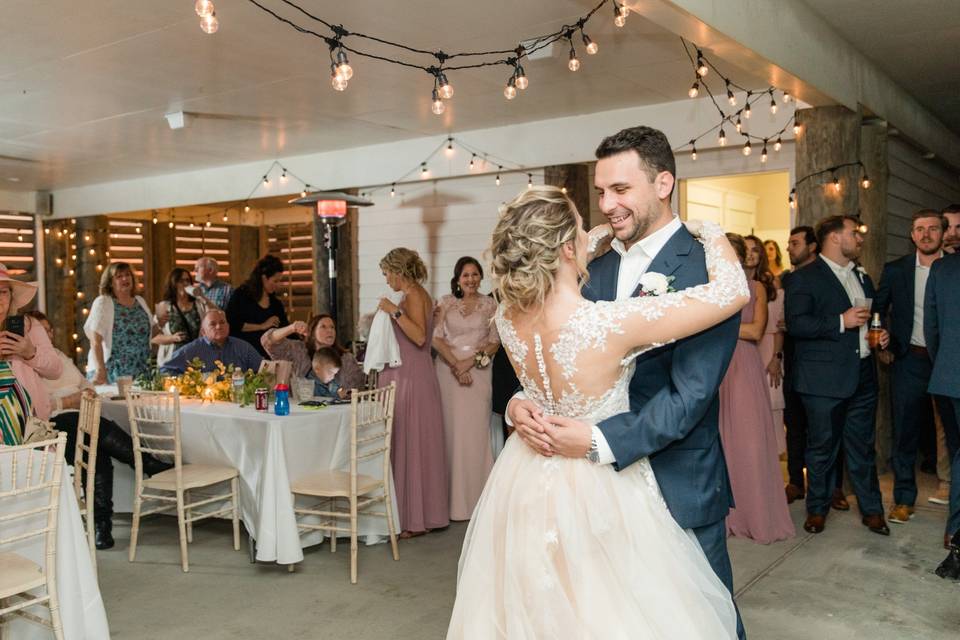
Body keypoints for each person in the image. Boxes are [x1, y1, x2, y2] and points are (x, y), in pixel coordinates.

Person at [448, 183, 749, 638]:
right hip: (602, 485)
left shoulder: (508, 316)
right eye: (584, 227)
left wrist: (515, 405)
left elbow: (527, 385)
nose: (596, 231)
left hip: (526, 479)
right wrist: (708, 231)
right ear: (568, 248)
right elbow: (733, 290)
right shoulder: (606, 323)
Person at [27, 310, 171, 549]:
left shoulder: (59, 356)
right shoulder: (28, 364)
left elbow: (84, 384)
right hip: (54, 425)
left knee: (96, 453)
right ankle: (143, 462)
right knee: (91, 436)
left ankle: (102, 526)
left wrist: (87, 392)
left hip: (81, 415)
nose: (49, 334)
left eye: (50, 329)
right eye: (43, 331)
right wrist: (70, 401)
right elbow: (40, 406)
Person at [785, 215, 891, 536]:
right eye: (853, 234)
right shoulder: (805, 278)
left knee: (862, 447)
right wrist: (841, 321)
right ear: (833, 238)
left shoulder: (863, 277)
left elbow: (870, 319)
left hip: (862, 374)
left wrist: (880, 334)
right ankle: (816, 510)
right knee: (821, 448)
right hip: (822, 380)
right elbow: (798, 324)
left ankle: (872, 511)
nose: (859, 240)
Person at [719, 234, 794, 543]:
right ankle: (724, 516)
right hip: (716, 366)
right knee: (721, 441)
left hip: (744, 368)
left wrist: (717, 326)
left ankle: (755, 514)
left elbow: (755, 330)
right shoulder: (711, 289)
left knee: (749, 440)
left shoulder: (756, 288)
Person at [874, 210, 945, 525]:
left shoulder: (954, 268)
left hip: (949, 361)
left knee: (954, 432)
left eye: (932, 228)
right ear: (912, 235)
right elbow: (878, 310)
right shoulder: (896, 270)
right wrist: (882, 346)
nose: (926, 234)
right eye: (920, 229)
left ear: (943, 233)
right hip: (910, 360)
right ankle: (903, 499)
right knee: (904, 432)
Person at [376, 248, 450, 537]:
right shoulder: (412, 296)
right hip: (407, 375)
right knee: (408, 442)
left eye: (386, 273)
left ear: (398, 271)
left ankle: (415, 519)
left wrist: (392, 311)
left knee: (412, 442)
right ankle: (410, 514)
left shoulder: (415, 295)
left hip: (412, 378)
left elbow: (420, 337)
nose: (386, 280)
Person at [432, 257, 500, 521]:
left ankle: (477, 502)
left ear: (480, 277)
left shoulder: (490, 304)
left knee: (475, 436)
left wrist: (468, 364)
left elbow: (494, 342)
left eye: (474, 274)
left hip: (479, 373)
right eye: (465, 275)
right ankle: (449, 504)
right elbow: (436, 339)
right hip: (448, 373)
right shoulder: (446, 303)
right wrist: (455, 365)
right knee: (451, 435)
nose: (470, 279)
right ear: (457, 278)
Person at [924, 250, 960, 570]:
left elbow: (931, 329)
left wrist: (945, 365)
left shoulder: (942, 267)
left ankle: (955, 532)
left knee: (958, 452)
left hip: (947, 378)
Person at [0, 267, 62, 446]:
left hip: (31, 424)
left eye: (3, 292)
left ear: (11, 296)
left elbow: (55, 370)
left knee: (31, 472)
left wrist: (30, 353)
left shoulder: (30, 326)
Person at [781, 226, 817, 503]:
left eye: (795, 243)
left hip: (820, 362)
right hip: (793, 362)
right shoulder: (787, 279)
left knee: (821, 428)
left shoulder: (824, 278)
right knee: (793, 424)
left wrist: (793, 323)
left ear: (812, 246)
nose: (789, 248)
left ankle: (830, 487)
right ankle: (795, 481)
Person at [84, 262, 156, 384]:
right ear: (110, 283)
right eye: (119, 276)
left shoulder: (140, 301)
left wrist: (160, 322)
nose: (125, 278)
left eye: (128, 275)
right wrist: (101, 371)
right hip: (113, 372)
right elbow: (95, 341)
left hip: (142, 371)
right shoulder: (103, 302)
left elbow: (149, 334)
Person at [748, 234, 786, 454]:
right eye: (747, 249)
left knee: (770, 408)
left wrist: (776, 357)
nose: (751, 254)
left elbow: (779, 325)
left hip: (769, 349)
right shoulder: (732, 282)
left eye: (756, 250)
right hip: (743, 350)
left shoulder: (770, 282)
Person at [261, 313, 365, 391]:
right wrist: (292, 328)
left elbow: (357, 389)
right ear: (312, 332)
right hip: (302, 409)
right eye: (323, 327)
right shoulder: (299, 350)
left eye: (332, 327)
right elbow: (268, 341)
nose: (329, 331)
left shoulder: (346, 358)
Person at [161, 309, 263, 375]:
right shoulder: (190, 350)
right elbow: (164, 371)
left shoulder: (243, 347)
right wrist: (189, 381)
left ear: (228, 327)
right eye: (213, 324)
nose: (219, 327)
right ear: (203, 332)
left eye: (222, 322)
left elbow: (264, 369)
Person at [225, 254, 289, 357]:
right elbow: (232, 324)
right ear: (264, 278)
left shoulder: (275, 303)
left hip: (269, 357)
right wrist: (262, 326)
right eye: (275, 281)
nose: (279, 285)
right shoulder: (241, 295)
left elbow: (285, 327)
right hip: (243, 354)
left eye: (280, 281)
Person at [152, 267, 211, 368]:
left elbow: (218, 314)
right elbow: (153, 337)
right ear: (173, 284)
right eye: (180, 281)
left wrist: (202, 297)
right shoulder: (164, 306)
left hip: (196, 359)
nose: (185, 284)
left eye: (187, 280)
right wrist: (172, 338)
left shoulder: (199, 304)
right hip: (172, 360)